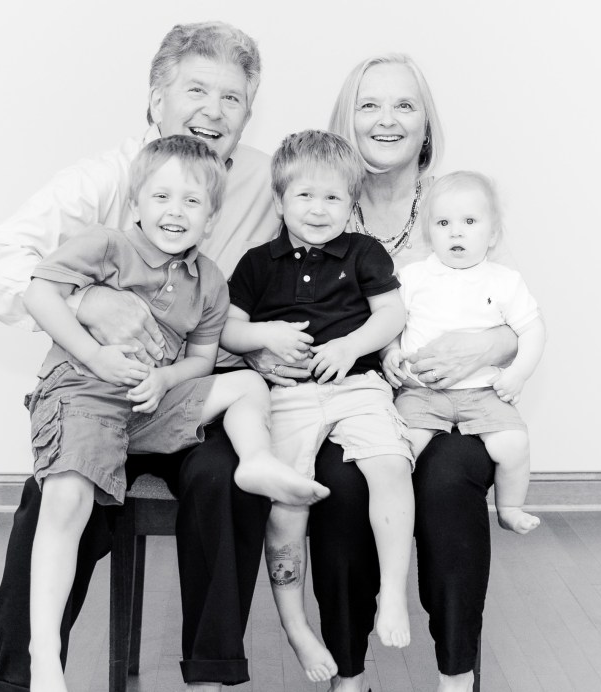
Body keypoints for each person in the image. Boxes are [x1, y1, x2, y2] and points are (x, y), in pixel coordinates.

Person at [0, 22, 284, 692]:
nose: (214, 111)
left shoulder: (263, 179)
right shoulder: (105, 178)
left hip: (190, 390)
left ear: (249, 114)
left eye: (232, 98)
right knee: (56, 492)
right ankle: (24, 678)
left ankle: (212, 675)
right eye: (196, 90)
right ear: (156, 100)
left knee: (226, 479)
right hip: (102, 388)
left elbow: (328, 230)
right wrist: (86, 303)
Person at [21, 136, 328, 691]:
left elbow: (202, 361)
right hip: (85, 394)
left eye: (192, 201)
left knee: (245, 383)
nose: (175, 212)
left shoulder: (209, 280)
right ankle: (44, 657)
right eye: (161, 196)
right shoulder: (106, 245)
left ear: (212, 216)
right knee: (65, 499)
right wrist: (94, 354)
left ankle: (256, 459)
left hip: (150, 403)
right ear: (136, 201)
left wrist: (164, 379)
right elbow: (39, 294)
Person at [254, 54, 519, 692]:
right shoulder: (315, 200)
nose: (387, 119)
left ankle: (456, 675)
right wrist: (263, 351)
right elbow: (261, 303)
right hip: (346, 397)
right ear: (345, 120)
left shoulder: (455, 201)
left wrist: (488, 345)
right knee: (340, 486)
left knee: (448, 483)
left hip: (440, 402)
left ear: (427, 123)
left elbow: (512, 311)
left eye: (405, 105)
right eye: (368, 105)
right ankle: (348, 676)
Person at [221, 131, 415, 682]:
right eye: (304, 195)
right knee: (286, 505)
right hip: (287, 397)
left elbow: (392, 314)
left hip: (357, 386)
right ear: (279, 200)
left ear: (351, 203)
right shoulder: (257, 263)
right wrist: (264, 337)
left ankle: (393, 593)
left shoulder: (364, 252)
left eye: (333, 197)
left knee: (390, 466)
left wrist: (351, 345)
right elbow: (227, 329)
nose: (318, 209)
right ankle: (296, 627)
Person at [382, 170, 545, 535]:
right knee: (401, 449)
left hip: (484, 393)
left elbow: (533, 330)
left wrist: (518, 373)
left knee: (514, 443)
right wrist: (389, 352)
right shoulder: (413, 278)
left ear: (493, 234)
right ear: (429, 234)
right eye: (443, 223)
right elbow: (390, 322)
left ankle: (510, 507)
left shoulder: (504, 281)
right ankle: (397, 514)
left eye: (469, 222)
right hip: (420, 393)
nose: (456, 232)